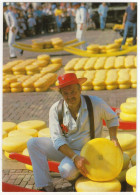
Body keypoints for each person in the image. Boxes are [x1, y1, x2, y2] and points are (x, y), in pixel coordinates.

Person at [27, 73, 122, 192]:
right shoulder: (56, 109)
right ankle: (45, 186)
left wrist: (114, 137)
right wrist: (74, 157)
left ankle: (81, 175)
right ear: (61, 94)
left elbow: (112, 118)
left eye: (73, 92)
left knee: (66, 171)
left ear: (80, 89)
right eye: (65, 93)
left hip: (89, 152)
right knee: (33, 143)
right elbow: (57, 139)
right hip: (67, 149)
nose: (70, 96)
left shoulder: (95, 103)